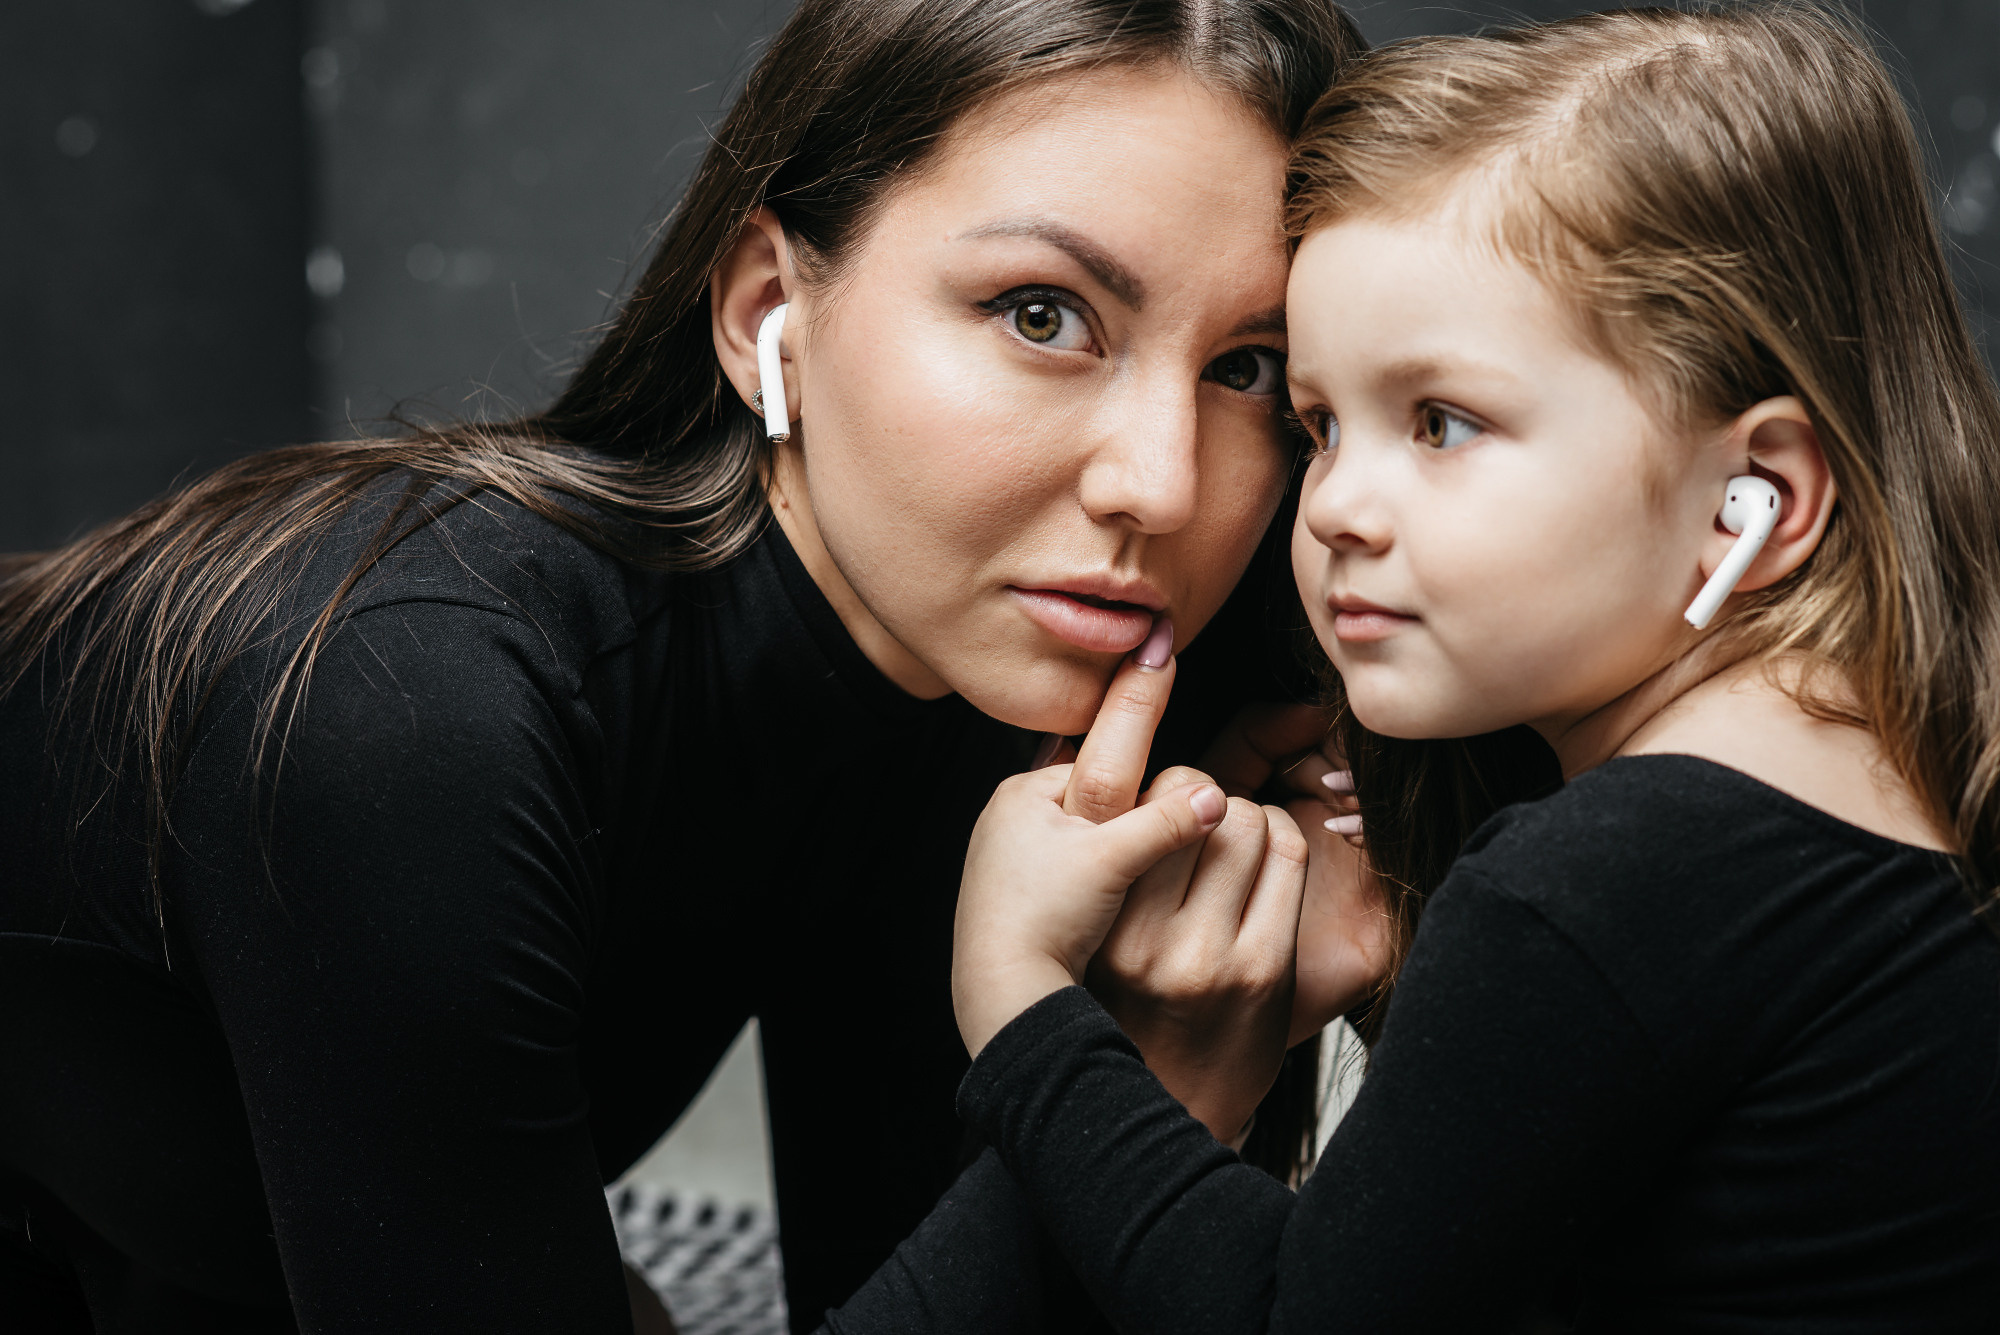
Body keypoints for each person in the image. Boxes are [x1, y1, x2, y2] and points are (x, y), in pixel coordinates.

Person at [0, 1, 1367, 1329]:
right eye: (1041, 315)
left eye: (1249, 368)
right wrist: (1123, 1103)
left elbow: (885, 1277)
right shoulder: (413, 705)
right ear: (769, 309)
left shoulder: (975, 694)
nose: (1165, 486)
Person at [834, 6, 2000, 1331]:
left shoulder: (1605, 876)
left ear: (1757, 498)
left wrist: (1026, 1003)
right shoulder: (1890, 784)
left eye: (1441, 423)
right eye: (1320, 425)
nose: (1335, 508)